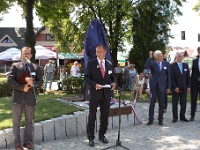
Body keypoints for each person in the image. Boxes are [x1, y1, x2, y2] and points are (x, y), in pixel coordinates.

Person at [7, 47, 43, 150]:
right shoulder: (15, 66)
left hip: (30, 98)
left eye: (28, 53)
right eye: (24, 53)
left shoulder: (35, 67)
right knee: (16, 122)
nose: (26, 55)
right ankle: (17, 144)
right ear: (21, 54)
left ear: (31, 55)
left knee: (29, 121)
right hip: (18, 98)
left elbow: (40, 82)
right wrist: (22, 87)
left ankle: (27, 142)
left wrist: (33, 84)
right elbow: (10, 80)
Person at [85, 44, 116, 147]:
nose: (98, 54)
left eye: (100, 52)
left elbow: (113, 77)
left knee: (104, 116)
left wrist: (114, 83)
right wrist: (95, 85)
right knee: (92, 116)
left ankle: (102, 135)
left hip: (106, 94)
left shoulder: (109, 64)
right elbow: (87, 78)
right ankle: (90, 138)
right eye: (97, 52)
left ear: (105, 52)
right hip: (95, 93)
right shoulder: (91, 63)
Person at [144, 50, 171, 126]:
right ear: (156, 57)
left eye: (162, 55)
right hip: (154, 86)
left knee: (162, 103)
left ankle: (160, 119)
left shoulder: (166, 64)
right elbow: (146, 66)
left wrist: (168, 87)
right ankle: (151, 119)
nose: (161, 57)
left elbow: (169, 76)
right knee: (152, 103)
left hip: (162, 86)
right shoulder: (152, 62)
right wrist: (150, 57)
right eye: (159, 56)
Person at [171, 52, 191, 123]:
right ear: (176, 57)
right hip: (176, 88)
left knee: (183, 103)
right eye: (179, 56)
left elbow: (188, 77)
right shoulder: (172, 66)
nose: (180, 57)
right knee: (175, 103)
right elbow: (171, 78)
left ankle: (182, 116)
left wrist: (189, 86)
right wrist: (175, 87)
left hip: (184, 87)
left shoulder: (185, 65)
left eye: (181, 56)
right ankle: (175, 117)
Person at [190, 47, 200, 121]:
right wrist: (190, 85)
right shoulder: (195, 61)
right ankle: (192, 115)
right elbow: (193, 73)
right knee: (193, 99)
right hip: (195, 83)